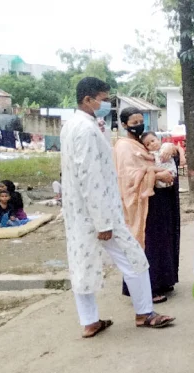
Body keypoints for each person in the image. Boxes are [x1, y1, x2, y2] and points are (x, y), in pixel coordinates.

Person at [60, 77, 174, 338]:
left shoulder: (73, 126)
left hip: (80, 210)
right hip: (100, 212)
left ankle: (89, 321)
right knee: (134, 258)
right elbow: (90, 176)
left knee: (82, 262)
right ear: (88, 100)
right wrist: (103, 223)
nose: (106, 104)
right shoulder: (86, 130)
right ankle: (145, 313)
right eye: (103, 99)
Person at [114, 107, 179, 304]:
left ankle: (163, 280)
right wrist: (158, 175)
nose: (139, 125)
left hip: (157, 202)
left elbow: (160, 154)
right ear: (124, 125)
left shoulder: (142, 143)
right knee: (147, 243)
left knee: (162, 241)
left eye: (141, 121)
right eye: (134, 123)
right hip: (141, 201)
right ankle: (147, 289)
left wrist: (172, 149)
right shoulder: (124, 146)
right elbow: (127, 175)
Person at [137, 132, 178, 198]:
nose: (152, 144)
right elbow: (150, 157)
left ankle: (149, 189)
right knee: (147, 169)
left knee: (150, 169)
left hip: (170, 171)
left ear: (158, 139)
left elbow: (176, 148)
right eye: (148, 144)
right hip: (161, 172)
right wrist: (141, 154)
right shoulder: (153, 153)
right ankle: (137, 185)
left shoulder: (166, 146)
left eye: (153, 141)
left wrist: (181, 156)